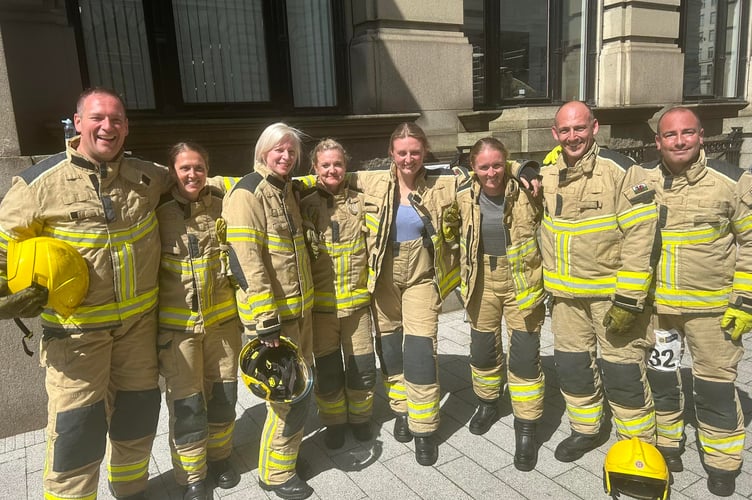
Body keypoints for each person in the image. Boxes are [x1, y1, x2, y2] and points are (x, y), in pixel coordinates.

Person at [0, 87, 173, 499]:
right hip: (75, 341)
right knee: (77, 434)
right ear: (77, 123)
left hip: (137, 334)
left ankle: (132, 491)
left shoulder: (147, 177)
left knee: (137, 417)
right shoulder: (38, 184)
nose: (107, 127)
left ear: (127, 127)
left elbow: (193, 180)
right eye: (97, 118)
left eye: (116, 119)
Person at [540, 101, 659, 463]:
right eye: (565, 130)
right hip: (565, 298)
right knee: (574, 367)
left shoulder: (622, 171)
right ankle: (586, 429)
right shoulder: (547, 172)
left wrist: (629, 297)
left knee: (622, 369)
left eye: (580, 128)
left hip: (611, 298)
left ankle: (638, 444)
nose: (572, 136)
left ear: (594, 128)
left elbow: (642, 235)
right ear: (555, 134)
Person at [643, 106, 750, 497]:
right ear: (658, 142)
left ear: (701, 135)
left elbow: (751, 243)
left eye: (687, 133)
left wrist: (745, 300)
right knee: (663, 378)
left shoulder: (732, 182)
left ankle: (723, 461)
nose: (680, 141)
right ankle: (669, 445)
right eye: (670, 135)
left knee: (715, 386)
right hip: (661, 313)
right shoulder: (643, 183)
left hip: (712, 313)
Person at [349, 122, 465, 466]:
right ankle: (401, 410)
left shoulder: (443, 183)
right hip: (383, 279)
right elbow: (323, 175)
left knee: (418, 350)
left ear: (425, 151)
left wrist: (526, 167)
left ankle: (425, 428)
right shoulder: (370, 181)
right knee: (390, 349)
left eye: (415, 152)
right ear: (391, 153)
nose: (409, 159)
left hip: (421, 278)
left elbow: (491, 171)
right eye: (402, 152)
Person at [222, 123, 315, 500]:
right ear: (263, 151)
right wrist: (265, 323)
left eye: (291, 151)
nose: (286, 156)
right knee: (286, 396)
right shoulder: (248, 193)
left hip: (299, 313)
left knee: (298, 393)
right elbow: (246, 263)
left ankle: (284, 459)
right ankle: (275, 475)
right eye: (278, 150)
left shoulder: (287, 190)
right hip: (275, 322)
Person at [156, 142, 241, 500]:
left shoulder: (223, 202)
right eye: (185, 168)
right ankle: (191, 474)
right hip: (179, 332)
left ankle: (220, 458)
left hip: (222, 325)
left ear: (209, 170)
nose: (193, 175)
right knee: (188, 405)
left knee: (223, 395)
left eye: (199, 168)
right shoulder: (156, 211)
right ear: (172, 171)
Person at [456, 137, 546, 471]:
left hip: (520, 281)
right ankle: (488, 403)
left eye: (498, 165)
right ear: (473, 168)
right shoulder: (463, 192)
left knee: (523, 356)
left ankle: (526, 428)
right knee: (483, 350)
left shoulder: (528, 188)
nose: (491, 172)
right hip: (482, 281)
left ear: (506, 163)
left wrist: (525, 167)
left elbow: (552, 172)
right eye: (484, 166)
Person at [298, 139, 376, 449]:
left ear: (346, 166)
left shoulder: (361, 202)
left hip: (356, 307)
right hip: (321, 311)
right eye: (325, 164)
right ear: (314, 168)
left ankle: (360, 419)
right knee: (328, 373)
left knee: (362, 370)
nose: (332, 169)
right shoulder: (303, 205)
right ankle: (334, 422)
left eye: (338, 164)